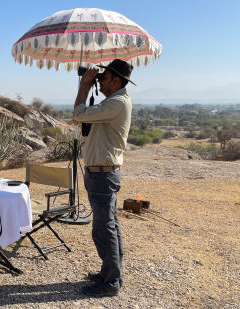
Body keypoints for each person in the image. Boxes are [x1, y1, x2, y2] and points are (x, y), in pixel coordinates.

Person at [72, 59, 134, 297]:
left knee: (104, 227)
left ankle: (110, 283)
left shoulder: (117, 102)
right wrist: (90, 84)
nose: (100, 79)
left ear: (117, 80)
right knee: (109, 225)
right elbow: (84, 118)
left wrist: (85, 85)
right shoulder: (113, 102)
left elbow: (78, 114)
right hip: (101, 173)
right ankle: (111, 273)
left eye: (104, 76)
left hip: (103, 174)